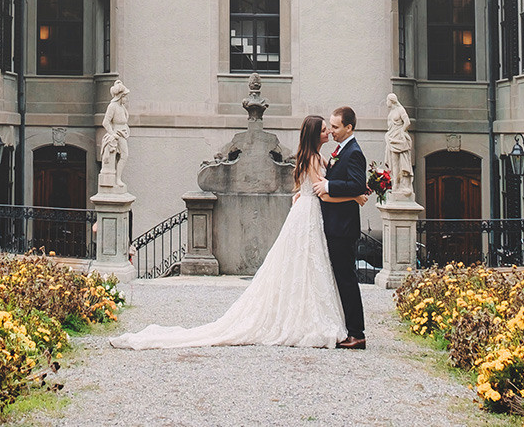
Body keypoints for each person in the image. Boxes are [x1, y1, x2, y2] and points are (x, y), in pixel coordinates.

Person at [109, 114, 353, 349]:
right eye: (323, 129)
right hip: (308, 212)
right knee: (304, 262)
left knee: (308, 264)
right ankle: (303, 319)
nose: (328, 132)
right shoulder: (311, 158)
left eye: (328, 128)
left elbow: (310, 186)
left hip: (310, 212)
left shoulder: (318, 157)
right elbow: (321, 191)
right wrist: (355, 195)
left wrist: (304, 193)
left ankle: (306, 312)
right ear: (314, 134)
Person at [313, 104, 368, 349]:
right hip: (336, 225)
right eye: (330, 126)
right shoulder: (340, 150)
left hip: (343, 228)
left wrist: (328, 187)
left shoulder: (353, 152)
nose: (332, 131)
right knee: (341, 278)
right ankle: (349, 329)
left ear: (349, 127)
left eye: (335, 127)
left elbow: (357, 184)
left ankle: (357, 333)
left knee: (347, 279)